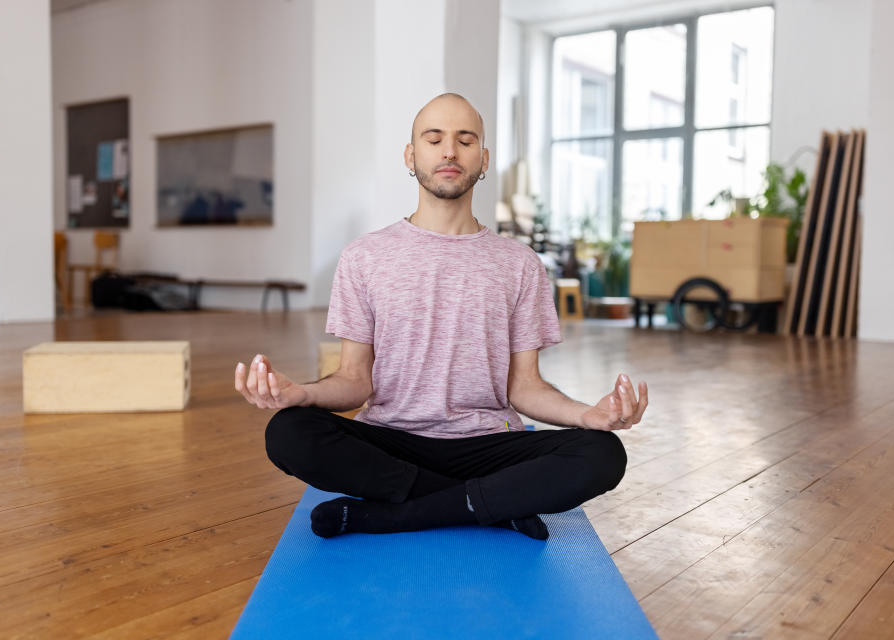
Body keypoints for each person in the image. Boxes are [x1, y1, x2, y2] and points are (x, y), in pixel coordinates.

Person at [234, 93, 648, 540]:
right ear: (411, 156)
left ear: (483, 159)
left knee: (603, 454)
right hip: (393, 441)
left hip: (488, 444)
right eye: (434, 139)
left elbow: (524, 387)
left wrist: (590, 415)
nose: (449, 151)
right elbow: (355, 380)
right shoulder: (363, 257)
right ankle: (490, 504)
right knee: (289, 432)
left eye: (465, 140)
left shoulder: (520, 263)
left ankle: (394, 516)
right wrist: (301, 394)